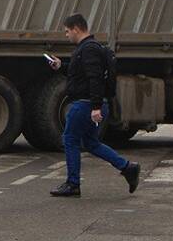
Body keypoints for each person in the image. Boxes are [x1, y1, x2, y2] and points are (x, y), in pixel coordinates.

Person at [47, 14, 140, 198]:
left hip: (85, 104)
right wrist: (61, 66)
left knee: (70, 140)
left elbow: (94, 78)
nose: (66, 35)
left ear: (76, 29)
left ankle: (73, 184)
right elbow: (81, 75)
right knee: (91, 143)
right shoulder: (88, 48)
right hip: (89, 103)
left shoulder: (88, 49)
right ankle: (128, 168)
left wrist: (96, 107)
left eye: (67, 31)